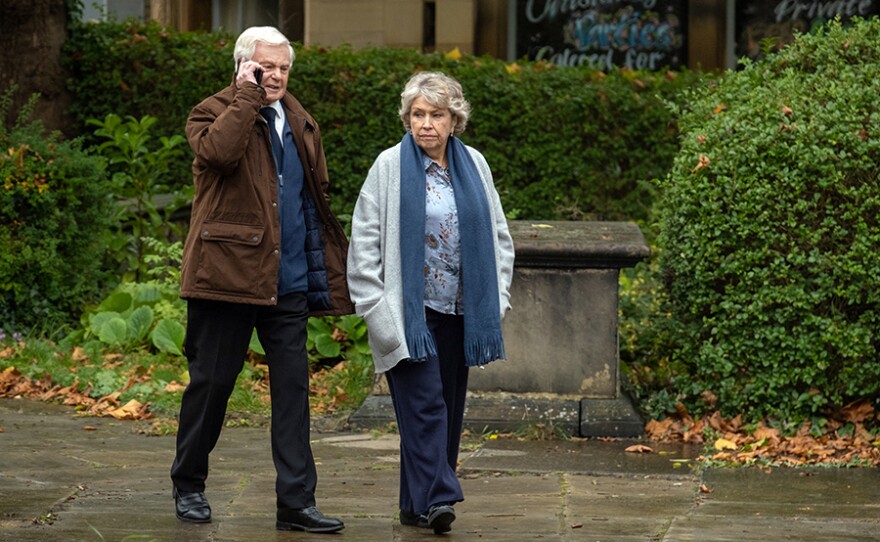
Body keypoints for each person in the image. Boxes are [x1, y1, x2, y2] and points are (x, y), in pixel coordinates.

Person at [170, 26, 353, 533]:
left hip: (287, 279)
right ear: (242, 66)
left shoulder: (299, 119)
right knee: (212, 386)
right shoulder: (212, 112)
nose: (275, 76)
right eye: (265, 66)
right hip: (226, 278)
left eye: (283, 68)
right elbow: (217, 155)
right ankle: (189, 484)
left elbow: (306, 197)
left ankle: (296, 502)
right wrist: (246, 96)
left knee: (293, 393)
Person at [347, 71, 514, 535]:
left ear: (453, 119)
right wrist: (377, 310)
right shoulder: (388, 167)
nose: (425, 124)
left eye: (436, 115)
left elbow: (499, 235)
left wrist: (495, 299)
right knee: (425, 408)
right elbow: (363, 246)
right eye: (417, 114)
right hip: (408, 315)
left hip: (461, 312)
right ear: (407, 118)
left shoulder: (475, 165)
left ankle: (413, 505)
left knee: (446, 411)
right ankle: (440, 497)